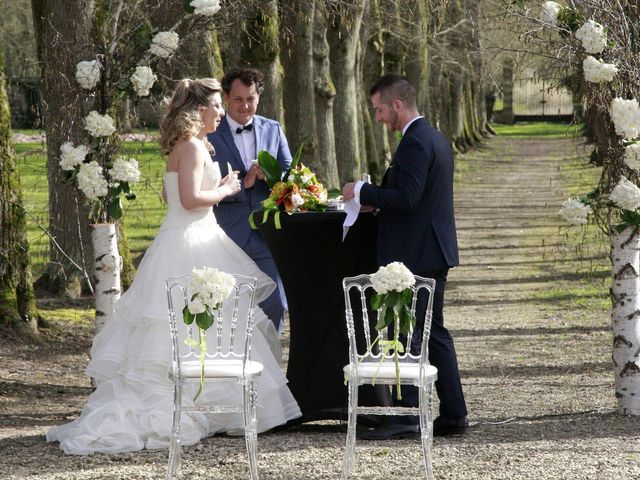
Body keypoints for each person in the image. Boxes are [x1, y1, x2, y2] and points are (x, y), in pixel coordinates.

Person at [46, 78, 301, 455]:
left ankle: (202, 405)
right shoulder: (195, 147)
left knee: (199, 324)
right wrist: (227, 189)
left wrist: (218, 184)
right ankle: (202, 406)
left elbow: (170, 194)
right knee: (198, 323)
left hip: (182, 236)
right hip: (193, 239)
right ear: (199, 110)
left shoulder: (186, 146)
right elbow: (190, 198)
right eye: (216, 106)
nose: (221, 112)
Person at [342, 73, 468, 440]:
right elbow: (417, 200)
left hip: (417, 254)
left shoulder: (414, 142)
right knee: (435, 334)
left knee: (410, 334)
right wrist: (379, 205)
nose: (378, 117)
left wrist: (363, 191)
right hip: (432, 249)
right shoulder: (433, 137)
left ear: (397, 105)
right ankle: (454, 414)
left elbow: (409, 198)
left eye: (380, 109)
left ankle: (407, 417)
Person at [207, 68, 292, 331]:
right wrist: (244, 184)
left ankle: (268, 366)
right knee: (229, 305)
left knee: (276, 303)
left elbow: (290, 173)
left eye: (251, 99)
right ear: (226, 97)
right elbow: (201, 182)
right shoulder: (209, 132)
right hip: (225, 232)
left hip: (267, 232)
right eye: (238, 99)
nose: (245, 106)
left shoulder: (273, 128)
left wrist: (272, 176)